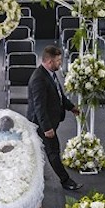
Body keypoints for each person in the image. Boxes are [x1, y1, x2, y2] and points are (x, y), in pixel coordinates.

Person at [27, 45, 82, 191]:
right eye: (58, 60)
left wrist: (71, 107)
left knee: (39, 151)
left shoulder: (50, 73)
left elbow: (59, 95)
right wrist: (47, 128)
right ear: (50, 62)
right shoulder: (38, 79)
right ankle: (66, 181)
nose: (60, 63)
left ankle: (33, 177)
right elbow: (39, 107)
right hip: (42, 124)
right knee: (53, 151)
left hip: (51, 121)